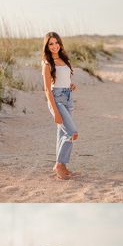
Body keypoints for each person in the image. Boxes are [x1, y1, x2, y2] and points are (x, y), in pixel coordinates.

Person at [42, 32, 78, 180]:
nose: (54, 46)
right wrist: (55, 112)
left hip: (68, 97)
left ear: (60, 44)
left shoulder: (64, 59)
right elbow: (47, 89)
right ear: (47, 46)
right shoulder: (47, 63)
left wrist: (71, 85)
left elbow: (63, 80)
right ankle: (58, 165)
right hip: (56, 99)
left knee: (62, 134)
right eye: (51, 43)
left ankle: (63, 166)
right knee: (72, 132)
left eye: (56, 43)